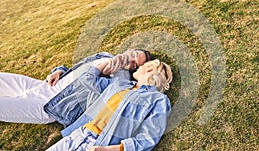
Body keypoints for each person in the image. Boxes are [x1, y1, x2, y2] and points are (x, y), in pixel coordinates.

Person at [22, 58, 173, 151]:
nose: (137, 68)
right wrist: (108, 63)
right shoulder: (119, 84)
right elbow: (87, 80)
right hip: (76, 137)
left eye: (142, 66)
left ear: (150, 69)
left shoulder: (158, 100)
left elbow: (148, 138)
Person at [0, 49, 151, 124]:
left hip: (50, 105)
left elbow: (87, 83)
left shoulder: (119, 78)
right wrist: (59, 70)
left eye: (134, 64)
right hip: (44, 85)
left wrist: (108, 67)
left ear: (134, 69)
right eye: (134, 54)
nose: (131, 59)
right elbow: (76, 68)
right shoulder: (104, 55)